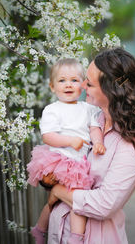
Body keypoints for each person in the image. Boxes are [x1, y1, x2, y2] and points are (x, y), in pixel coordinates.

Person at [46, 48, 135, 243]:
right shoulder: (89, 121)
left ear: (111, 90)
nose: (82, 85)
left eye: (90, 83)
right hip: (60, 231)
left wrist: (59, 191)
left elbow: (104, 205)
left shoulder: (129, 144)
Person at [26, 58, 106, 244]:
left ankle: (53, 232)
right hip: (58, 160)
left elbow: (95, 128)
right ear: (52, 86)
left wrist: (99, 142)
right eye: (62, 81)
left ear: (83, 85)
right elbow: (48, 136)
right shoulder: (52, 110)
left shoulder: (89, 109)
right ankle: (60, 234)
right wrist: (70, 141)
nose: (68, 85)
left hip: (79, 163)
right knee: (65, 201)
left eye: (74, 80)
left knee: (68, 202)